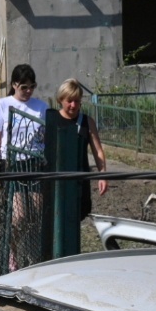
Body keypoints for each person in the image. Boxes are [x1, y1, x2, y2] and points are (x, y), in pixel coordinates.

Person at [0, 64, 48, 195]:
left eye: (32, 87)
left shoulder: (42, 106)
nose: (29, 91)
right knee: (18, 213)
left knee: (37, 208)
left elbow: (48, 136)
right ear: (14, 85)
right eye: (24, 87)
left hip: (35, 162)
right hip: (11, 163)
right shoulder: (1, 105)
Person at [48, 79, 108, 218]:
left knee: (76, 218)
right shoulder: (51, 120)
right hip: (56, 180)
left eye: (77, 101)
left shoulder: (87, 122)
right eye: (69, 101)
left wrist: (103, 175)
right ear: (61, 100)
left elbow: (98, 151)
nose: (73, 105)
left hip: (80, 180)